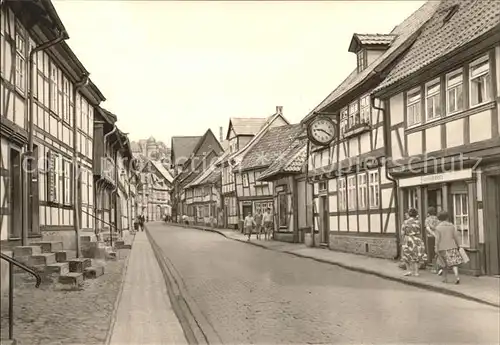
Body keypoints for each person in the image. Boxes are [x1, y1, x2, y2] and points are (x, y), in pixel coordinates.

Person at [435, 210, 463, 284]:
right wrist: (459, 245)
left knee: (444, 264)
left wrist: (436, 248)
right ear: (447, 217)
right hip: (452, 246)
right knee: (454, 263)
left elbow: (437, 239)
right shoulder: (452, 226)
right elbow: (455, 237)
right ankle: (457, 276)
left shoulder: (438, 228)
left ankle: (444, 279)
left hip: (442, 247)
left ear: (439, 218)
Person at [401, 208, 427, 277]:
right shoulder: (418, 222)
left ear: (409, 214)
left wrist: (403, 240)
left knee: (406, 255)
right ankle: (416, 272)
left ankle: (408, 271)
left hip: (408, 239)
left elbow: (402, 232)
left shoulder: (405, 222)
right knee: (415, 255)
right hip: (416, 239)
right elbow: (420, 232)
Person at [425, 207, 442, 275]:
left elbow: (428, 228)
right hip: (438, 236)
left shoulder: (427, 219)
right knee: (437, 252)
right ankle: (438, 267)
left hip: (431, 237)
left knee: (432, 252)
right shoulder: (437, 219)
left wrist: (433, 234)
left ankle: (434, 268)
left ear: (428, 212)